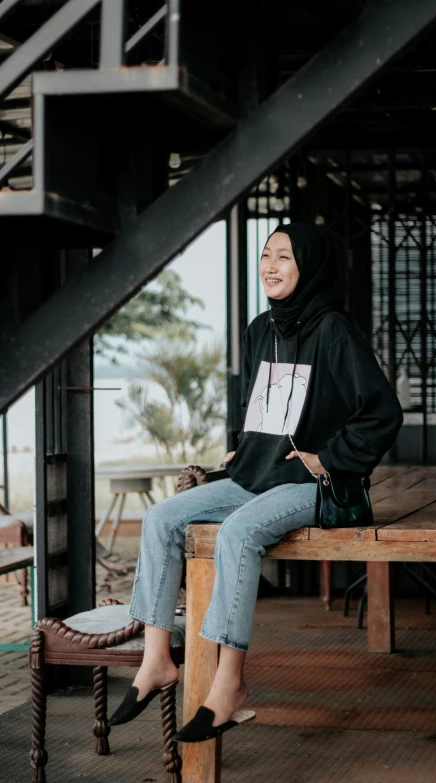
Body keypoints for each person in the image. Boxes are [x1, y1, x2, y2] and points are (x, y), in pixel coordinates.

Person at [109, 222, 404, 742]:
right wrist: (242, 443)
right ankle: (156, 658)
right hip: (255, 475)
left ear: (307, 267)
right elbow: (251, 404)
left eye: (284, 258)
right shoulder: (259, 330)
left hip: (312, 486)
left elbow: (381, 412)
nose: (270, 265)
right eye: (266, 255)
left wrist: (329, 458)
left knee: (238, 533)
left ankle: (231, 683)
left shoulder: (332, 330)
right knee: (160, 518)